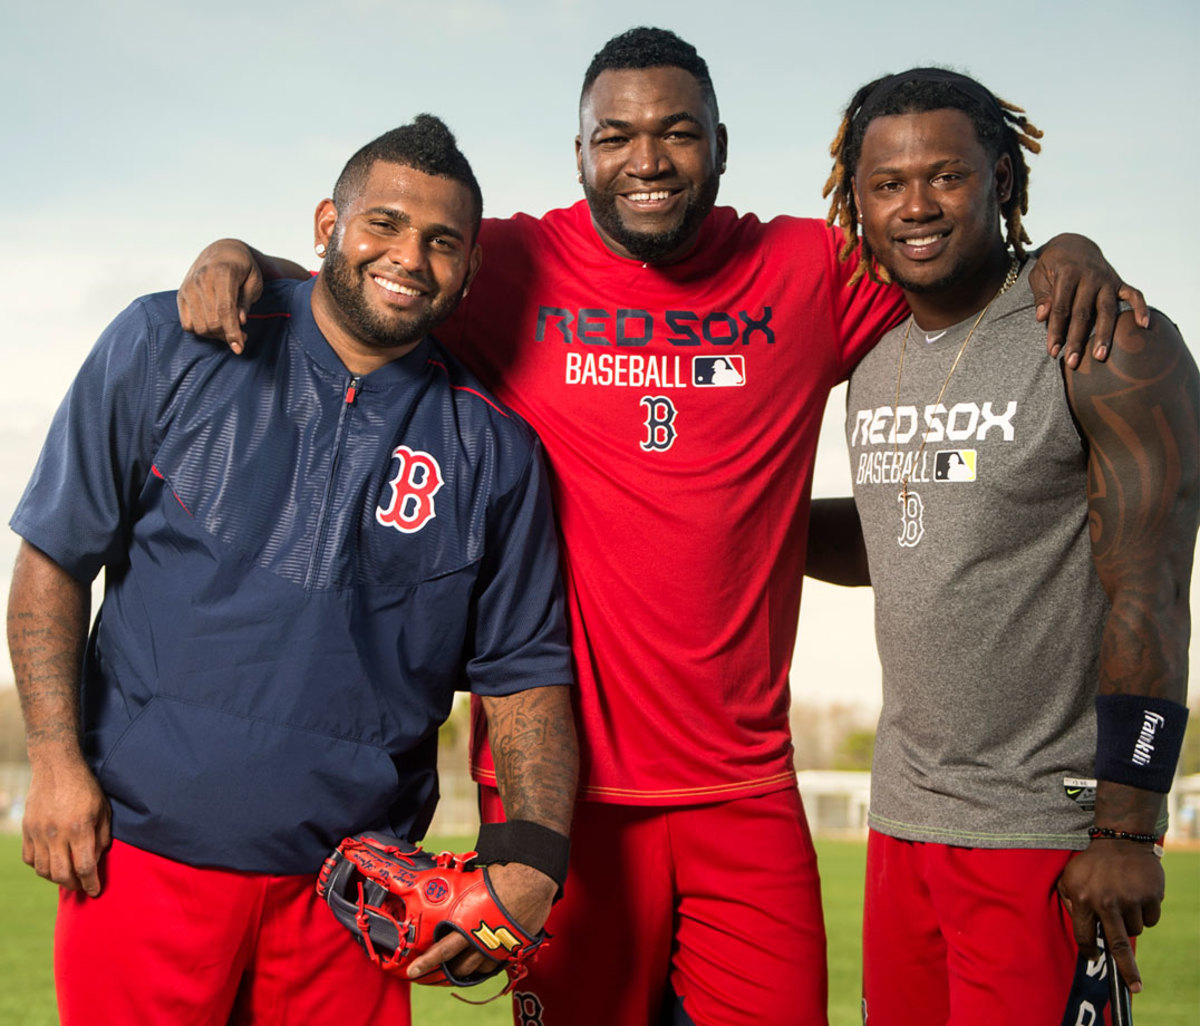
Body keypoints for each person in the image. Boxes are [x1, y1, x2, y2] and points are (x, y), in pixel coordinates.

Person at [176, 30, 1145, 1026]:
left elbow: (955, 261)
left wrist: (1063, 255)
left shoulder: (807, 268)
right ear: (581, 152)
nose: (647, 160)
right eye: (617, 136)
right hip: (561, 798)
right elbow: (366, 290)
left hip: (745, 789)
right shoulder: (510, 262)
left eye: (677, 133)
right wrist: (242, 259)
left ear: (720, 145)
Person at [7, 115, 578, 1026]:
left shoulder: (496, 450)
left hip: (349, 900)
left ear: (469, 271)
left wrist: (535, 859)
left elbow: (525, 674)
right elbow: (52, 559)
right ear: (327, 226)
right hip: (143, 859)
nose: (408, 258)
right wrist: (54, 761)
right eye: (382, 225)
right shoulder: (167, 342)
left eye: (442, 243)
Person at [809, 68, 1198, 1025]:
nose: (916, 207)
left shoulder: (1101, 339)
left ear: (1002, 183)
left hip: (1045, 832)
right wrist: (718, 524)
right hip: (901, 824)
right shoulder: (866, 345)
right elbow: (907, 536)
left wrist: (1130, 823)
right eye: (887, 184)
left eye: (946, 176)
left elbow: (1150, 582)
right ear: (854, 198)